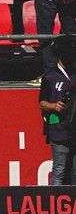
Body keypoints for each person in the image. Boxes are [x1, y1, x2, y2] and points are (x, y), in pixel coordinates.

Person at [41, 35, 76, 186]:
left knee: (75, 171)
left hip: (74, 126)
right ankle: (55, 198)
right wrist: (53, 106)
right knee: (59, 170)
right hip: (59, 127)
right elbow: (41, 102)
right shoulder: (50, 77)